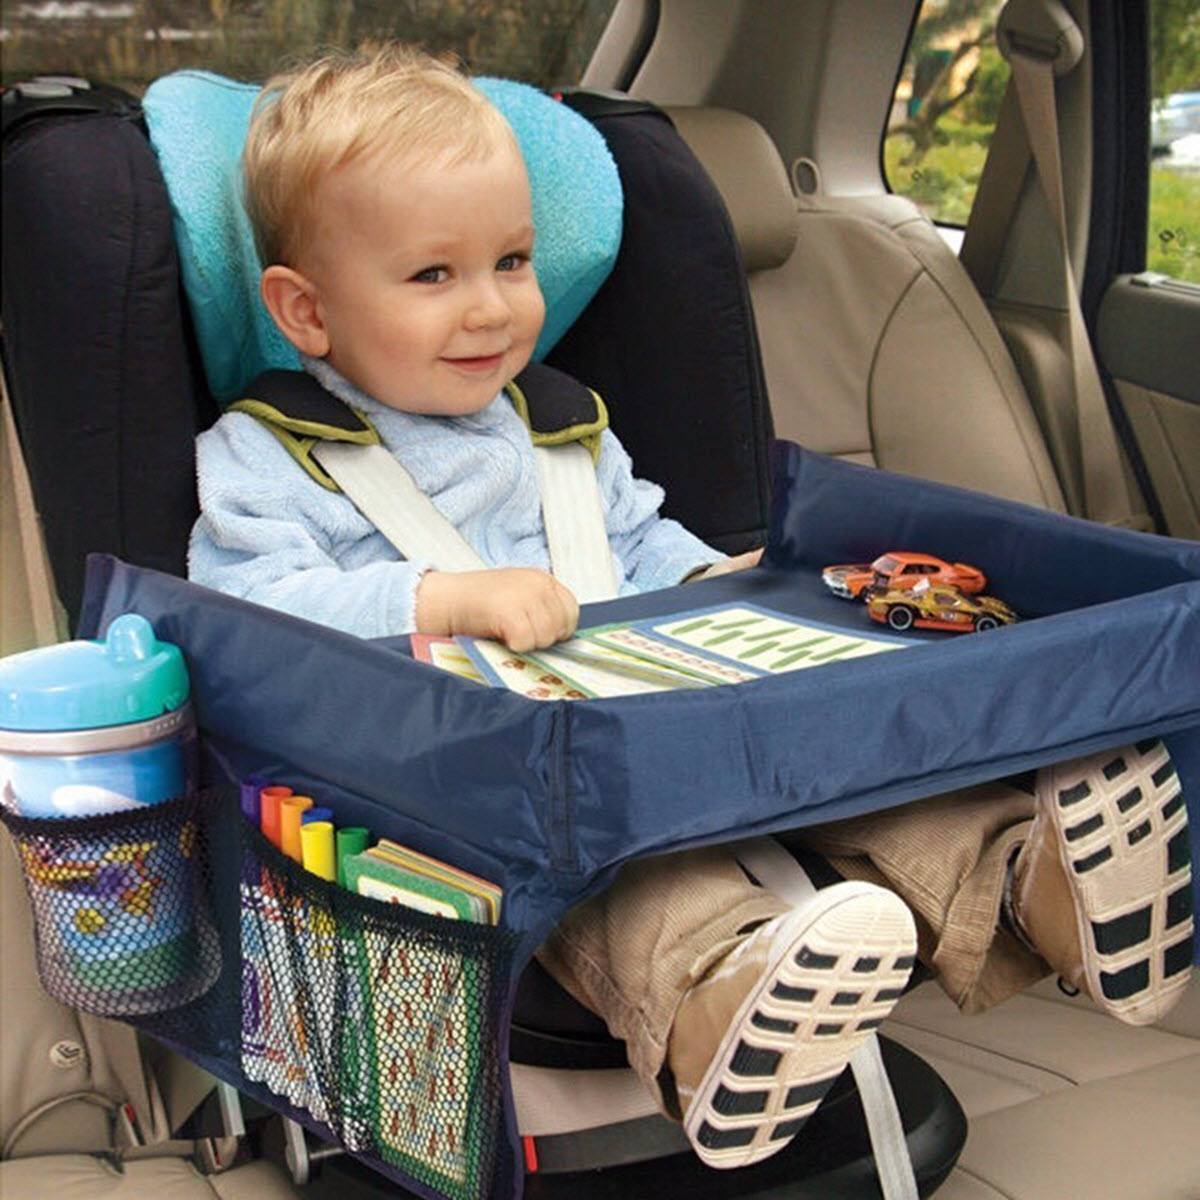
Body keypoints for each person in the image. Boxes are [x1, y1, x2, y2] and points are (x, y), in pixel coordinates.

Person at [190, 44, 1193, 1170]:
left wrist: (714, 583)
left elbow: (638, 539)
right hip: (473, 797)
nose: (491, 307)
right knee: (629, 883)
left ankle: (1028, 884)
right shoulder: (267, 457)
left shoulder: (561, 422)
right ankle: (725, 1000)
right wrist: (444, 599)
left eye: (512, 261)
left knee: (849, 759)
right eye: (433, 276)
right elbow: (248, 610)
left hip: (667, 725)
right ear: (305, 311)